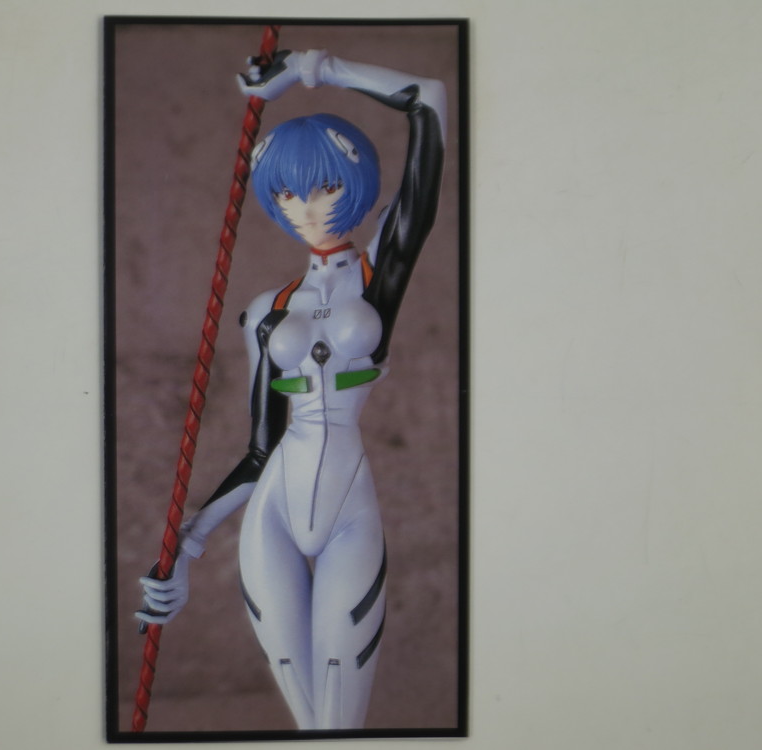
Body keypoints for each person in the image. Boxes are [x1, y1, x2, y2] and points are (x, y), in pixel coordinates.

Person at [136, 47, 447, 730]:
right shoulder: (268, 310)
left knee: (339, 721)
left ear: (354, 184)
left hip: (349, 507)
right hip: (273, 508)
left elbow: (428, 99)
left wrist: (316, 69)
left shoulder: (379, 273)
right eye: (286, 193)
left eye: (325, 187)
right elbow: (260, 448)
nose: (306, 208)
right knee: (308, 722)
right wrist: (187, 547)